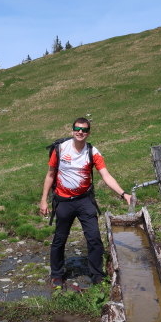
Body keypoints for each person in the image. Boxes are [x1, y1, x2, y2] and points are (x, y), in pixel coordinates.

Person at [39, 117, 132, 288]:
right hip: (63, 201)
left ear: (88, 133)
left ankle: (97, 275)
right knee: (60, 238)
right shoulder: (60, 149)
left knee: (94, 238)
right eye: (77, 128)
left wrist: (123, 193)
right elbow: (50, 175)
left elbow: (106, 175)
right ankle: (57, 275)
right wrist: (44, 200)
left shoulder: (92, 152)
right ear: (72, 130)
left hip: (84, 200)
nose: (80, 132)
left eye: (84, 130)